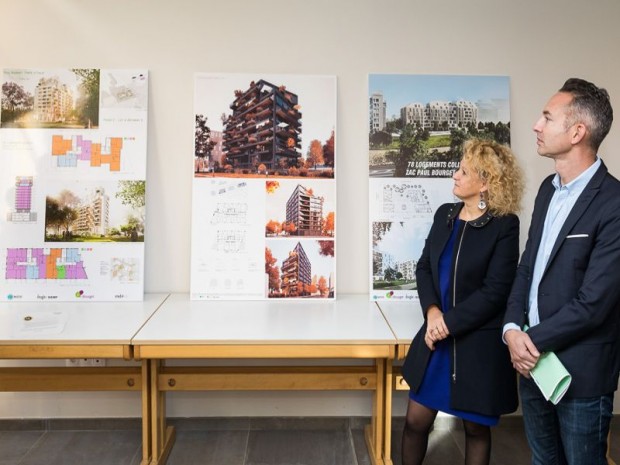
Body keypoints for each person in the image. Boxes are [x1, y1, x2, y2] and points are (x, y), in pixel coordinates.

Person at [503, 78, 618, 465]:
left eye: (547, 117)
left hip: (580, 373)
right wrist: (511, 330)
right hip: (533, 367)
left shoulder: (614, 203)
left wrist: (528, 341)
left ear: (577, 132)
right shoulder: (548, 190)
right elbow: (527, 268)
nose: (536, 124)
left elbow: (594, 304)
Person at [401, 138, 525, 465]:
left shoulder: (504, 225)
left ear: (485, 182)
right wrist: (432, 313)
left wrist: (446, 324)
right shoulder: (445, 215)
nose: (455, 175)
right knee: (415, 421)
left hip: (476, 348)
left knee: (475, 430)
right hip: (436, 340)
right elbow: (424, 266)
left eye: (463, 170)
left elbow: (496, 291)